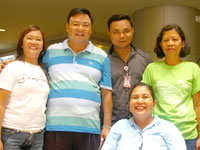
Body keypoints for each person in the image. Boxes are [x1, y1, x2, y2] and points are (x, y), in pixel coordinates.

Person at [43, 8, 112, 150]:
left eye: (85, 25)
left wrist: (106, 126)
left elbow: (106, 94)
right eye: (75, 24)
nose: (80, 28)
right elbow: (34, 69)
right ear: (67, 26)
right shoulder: (51, 52)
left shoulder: (102, 56)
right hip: (56, 125)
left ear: (91, 29)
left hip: (89, 127)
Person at [142, 24, 200, 150]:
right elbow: (145, 103)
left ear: (183, 43)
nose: (170, 43)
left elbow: (198, 105)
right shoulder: (151, 69)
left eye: (175, 39)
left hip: (188, 135)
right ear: (160, 44)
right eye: (166, 40)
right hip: (158, 134)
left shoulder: (193, 68)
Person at [0, 25, 50, 150]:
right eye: (29, 38)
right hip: (12, 134)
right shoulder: (12, 67)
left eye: (38, 39)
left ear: (43, 46)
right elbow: (1, 104)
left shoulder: (44, 71)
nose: (34, 42)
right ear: (22, 43)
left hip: (38, 134)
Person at [101, 82, 186, 150]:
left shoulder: (168, 128)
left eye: (145, 97)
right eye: (135, 97)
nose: (140, 101)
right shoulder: (119, 127)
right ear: (129, 105)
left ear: (154, 104)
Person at [107, 14, 152, 124]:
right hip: (111, 125)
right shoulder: (102, 60)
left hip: (140, 124)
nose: (121, 36)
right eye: (116, 32)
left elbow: (152, 92)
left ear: (133, 31)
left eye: (126, 31)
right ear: (109, 33)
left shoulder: (145, 60)